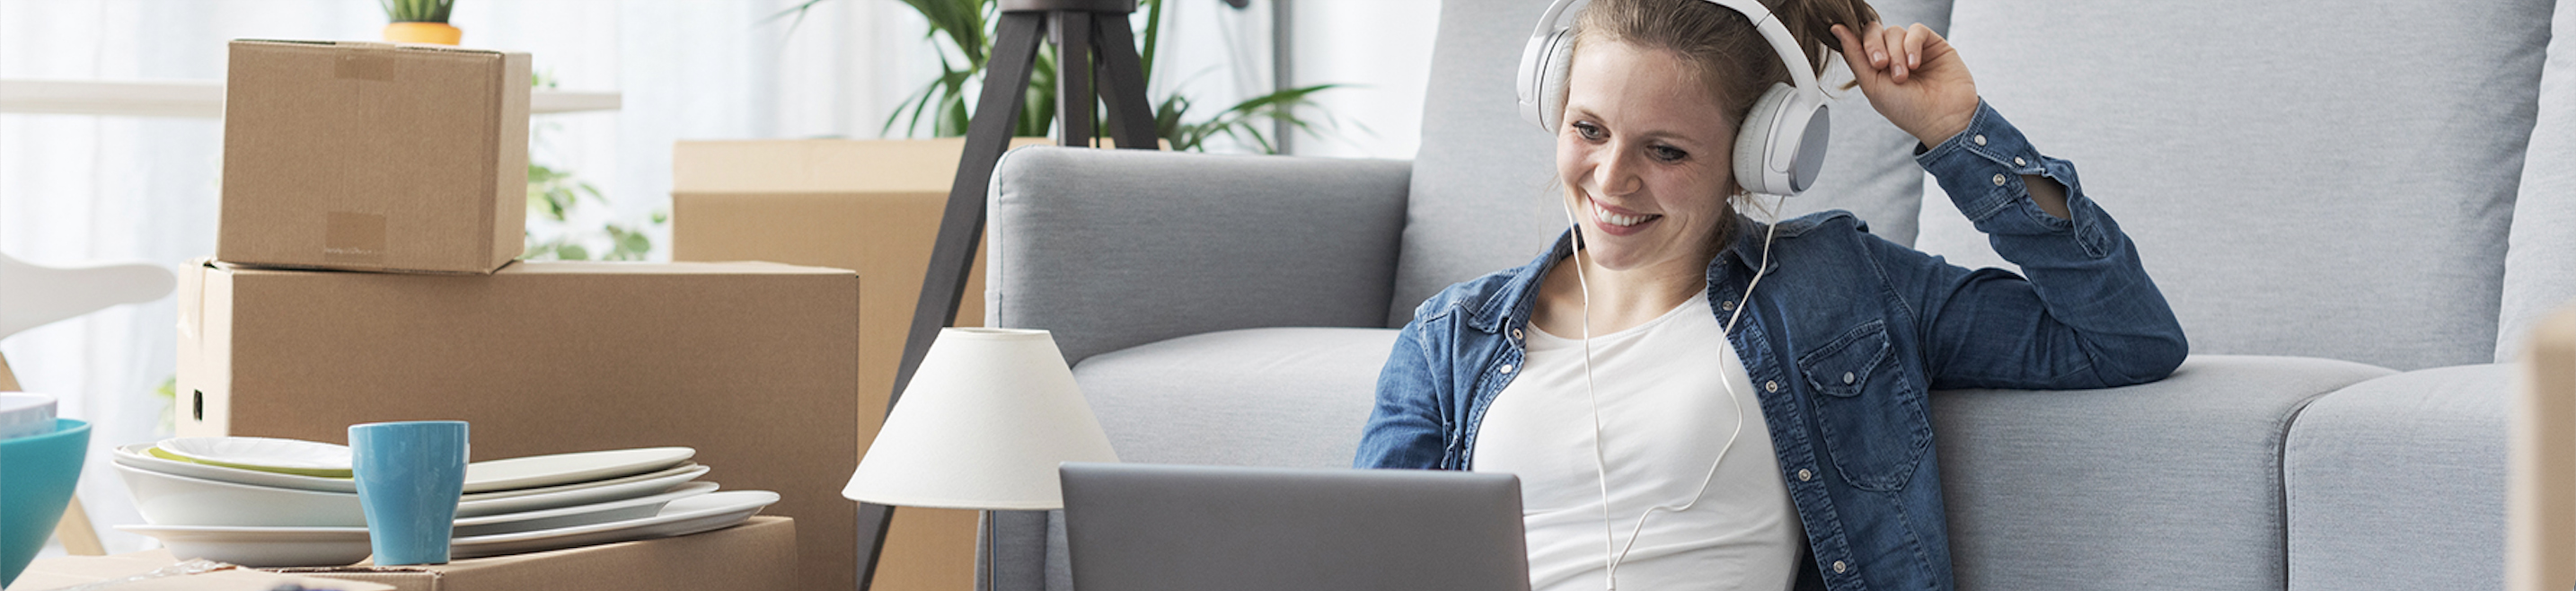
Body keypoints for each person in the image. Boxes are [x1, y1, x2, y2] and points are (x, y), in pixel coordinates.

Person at [1352, 0, 2188, 590]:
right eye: (1590, 129)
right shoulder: (1449, 336)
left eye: (1667, 151)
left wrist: (1954, 129)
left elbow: (2123, 337)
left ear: (1757, 155)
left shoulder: (1840, 286)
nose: (1612, 179)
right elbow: (1364, 560)